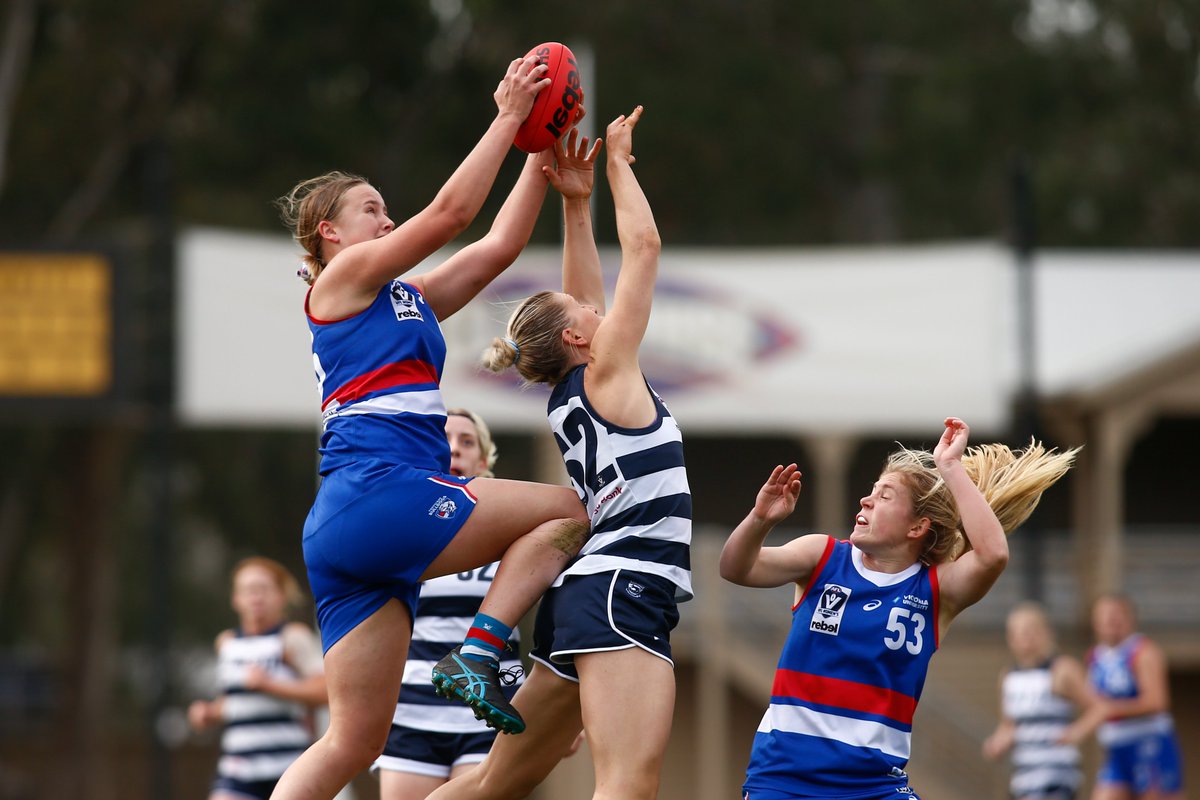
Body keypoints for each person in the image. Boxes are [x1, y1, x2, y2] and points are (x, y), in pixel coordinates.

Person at [270, 54, 592, 800]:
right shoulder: (341, 283)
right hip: (382, 492)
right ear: (330, 236)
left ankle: (481, 653)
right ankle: (482, 652)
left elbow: (497, 250)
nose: (387, 220)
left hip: (352, 524)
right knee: (573, 511)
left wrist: (539, 150)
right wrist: (509, 115)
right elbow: (451, 215)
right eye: (372, 212)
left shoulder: (400, 297)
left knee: (352, 741)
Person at [428, 106, 688, 800]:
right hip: (625, 588)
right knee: (627, 784)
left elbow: (582, 297)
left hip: (587, 594)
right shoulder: (605, 373)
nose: (597, 311)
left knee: (490, 786)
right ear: (579, 341)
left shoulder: (576, 388)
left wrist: (577, 205)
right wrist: (619, 167)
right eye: (587, 316)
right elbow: (647, 249)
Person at [720, 418, 1077, 800]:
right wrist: (760, 520)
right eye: (872, 491)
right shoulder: (821, 557)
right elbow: (735, 569)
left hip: (874, 787)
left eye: (885, 495)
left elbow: (992, 556)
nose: (866, 499)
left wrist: (951, 467)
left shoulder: (935, 590)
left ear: (917, 527)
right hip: (784, 781)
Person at [373, 408, 524, 800]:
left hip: (487, 713)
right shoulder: (399, 528)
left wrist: (557, 713)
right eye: (445, 439)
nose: (454, 449)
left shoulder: (515, 527)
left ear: (484, 460)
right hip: (412, 712)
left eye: (467, 441)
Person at [188, 557, 328, 800]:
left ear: (281, 597)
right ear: (235, 598)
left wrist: (270, 685)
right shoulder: (227, 643)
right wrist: (209, 712)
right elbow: (235, 702)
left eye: (263, 589)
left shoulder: (292, 637)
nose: (256, 597)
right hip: (239, 767)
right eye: (248, 590)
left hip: (288, 767)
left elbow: (325, 691)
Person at [1066, 594, 1186, 800]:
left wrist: (1111, 709)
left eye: (1117, 615)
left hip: (1149, 745)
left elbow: (1157, 701)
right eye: (1105, 616)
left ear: (1131, 618)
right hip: (1116, 749)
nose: (1112, 621)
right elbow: (1095, 704)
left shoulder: (1142, 651)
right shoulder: (1095, 657)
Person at [982, 601, 1090, 800]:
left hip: (1056, 773)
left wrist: (1077, 731)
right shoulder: (1008, 677)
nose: (1026, 637)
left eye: (1032, 630)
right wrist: (998, 743)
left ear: (1046, 633)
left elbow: (1098, 707)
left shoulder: (1062, 669)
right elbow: (1009, 725)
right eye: (1020, 632)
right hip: (1024, 775)